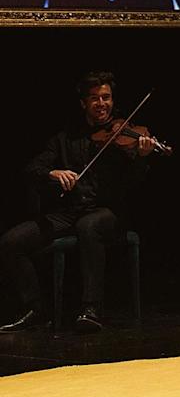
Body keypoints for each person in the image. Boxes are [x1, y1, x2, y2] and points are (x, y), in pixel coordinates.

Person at [0, 72, 155, 333]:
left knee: (88, 226)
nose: (101, 103)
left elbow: (134, 184)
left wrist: (142, 157)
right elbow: (32, 168)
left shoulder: (123, 137)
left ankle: (91, 308)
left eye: (106, 97)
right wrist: (53, 173)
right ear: (83, 103)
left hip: (108, 212)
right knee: (10, 242)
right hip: (67, 212)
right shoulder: (64, 138)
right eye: (94, 98)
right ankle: (36, 308)